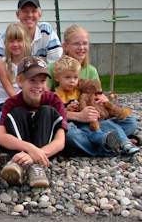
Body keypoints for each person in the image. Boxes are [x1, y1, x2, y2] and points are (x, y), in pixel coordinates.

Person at [47, 25, 140, 156]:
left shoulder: (91, 70)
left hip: (93, 118)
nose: (81, 47)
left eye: (85, 43)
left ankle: (88, 145)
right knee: (70, 134)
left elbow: (98, 97)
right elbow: (44, 105)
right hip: (69, 119)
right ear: (65, 46)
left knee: (130, 123)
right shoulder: (53, 68)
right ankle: (110, 144)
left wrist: (104, 100)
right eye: (76, 43)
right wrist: (78, 116)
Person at [0, 56, 67, 188]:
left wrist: (36, 155)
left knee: (47, 111)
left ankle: (35, 166)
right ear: (19, 81)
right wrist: (30, 149)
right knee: (18, 112)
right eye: (32, 80)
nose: (38, 86)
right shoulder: (11, 103)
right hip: (21, 149)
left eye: (42, 81)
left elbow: (60, 141)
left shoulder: (54, 100)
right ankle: (19, 162)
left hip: (43, 149)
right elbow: (0, 136)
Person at [0, 0, 63, 94]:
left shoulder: (46, 31)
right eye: (25, 11)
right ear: (18, 15)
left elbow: (56, 65)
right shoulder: (9, 34)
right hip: (15, 83)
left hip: (42, 81)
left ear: (40, 15)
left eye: (34, 11)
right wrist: (15, 77)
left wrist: (41, 91)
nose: (29, 15)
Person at [0, 22, 31, 117]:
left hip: (27, 102)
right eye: (11, 41)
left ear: (26, 41)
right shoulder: (2, 64)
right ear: (6, 43)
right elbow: (10, 91)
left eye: (19, 40)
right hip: (5, 103)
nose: (15, 44)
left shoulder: (31, 63)